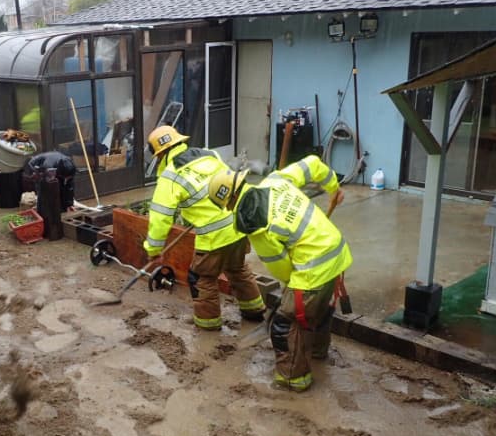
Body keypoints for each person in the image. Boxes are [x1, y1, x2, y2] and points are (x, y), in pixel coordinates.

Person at [208, 156, 352, 391]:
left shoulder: (256, 225)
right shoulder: (274, 180)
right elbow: (313, 164)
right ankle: (316, 353)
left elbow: (280, 266)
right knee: (317, 307)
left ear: (227, 205)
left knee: (288, 320)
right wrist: (333, 187)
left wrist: (290, 284)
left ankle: (294, 380)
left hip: (314, 266)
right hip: (336, 251)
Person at [144, 125, 266, 330]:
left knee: (203, 278)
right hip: (238, 226)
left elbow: (160, 218)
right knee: (238, 269)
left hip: (213, 237)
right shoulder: (209, 155)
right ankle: (254, 310)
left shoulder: (170, 176)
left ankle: (208, 325)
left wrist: (154, 251)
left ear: (160, 154)